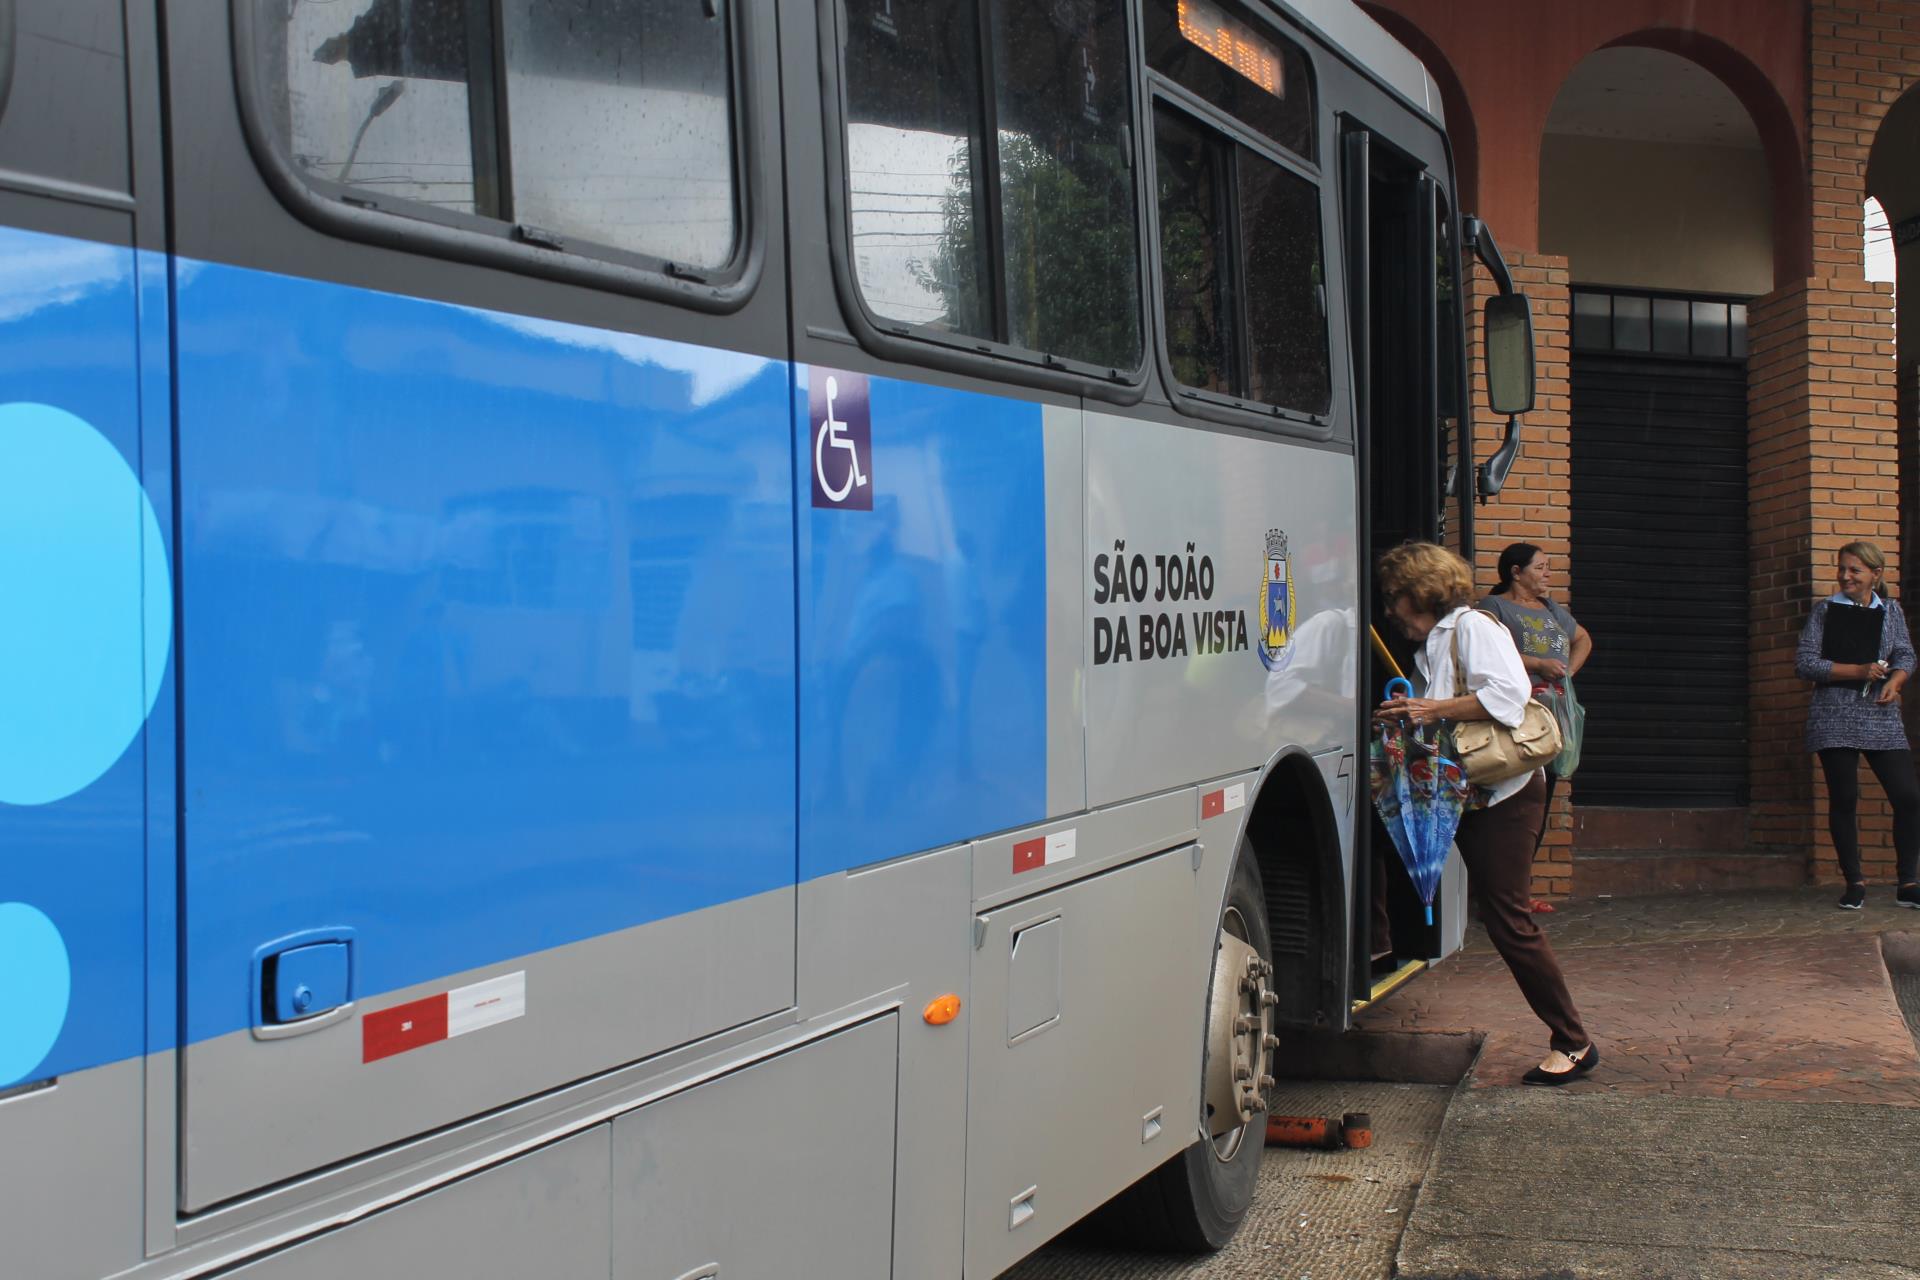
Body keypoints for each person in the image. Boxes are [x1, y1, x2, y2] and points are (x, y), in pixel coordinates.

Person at [1375, 542, 1597, 1084]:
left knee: (1509, 920)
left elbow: (1509, 694)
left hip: (1506, 795)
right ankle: (1379, 947)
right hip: (1469, 789)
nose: (1389, 611)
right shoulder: (1435, 642)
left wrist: (1432, 707)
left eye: (1394, 598)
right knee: (1386, 834)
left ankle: (1574, 1041)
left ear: (1417, 594)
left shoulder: (1473, 629)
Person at [1793, 540, 1920, 910]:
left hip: (1880, 714)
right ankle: (1855, 882)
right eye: (1842, 568)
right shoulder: (1825, 611)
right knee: (1845, 798)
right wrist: (1857, 670)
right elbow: (1805, 664)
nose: (1845, 576)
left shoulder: (1891, 610)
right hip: (1833, 714)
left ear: (1874, 575)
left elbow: (1906, 654)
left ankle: (1909, 882)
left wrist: (1895, 682)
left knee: (1908, 797)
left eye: (1854, 570)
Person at [1480, 542, 1593, 847]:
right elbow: (1486, 654)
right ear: (1516, 572)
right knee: (1516, 796)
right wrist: (1537, 665)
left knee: (1543, 796)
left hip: (1553, 715)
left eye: (1548, 567)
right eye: (1540, 567)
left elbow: (1582, 639)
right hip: (1516, 715)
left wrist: (1566, 673)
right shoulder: (1493, 607)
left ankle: (1523, 883)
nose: (1547, 574)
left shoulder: (1549, 607)